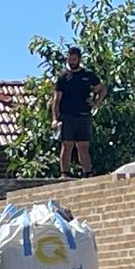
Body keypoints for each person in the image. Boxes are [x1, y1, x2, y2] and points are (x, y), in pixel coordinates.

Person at [53, 46, 105, 178]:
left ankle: (87, 172)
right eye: (69, 59)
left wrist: (96, 102)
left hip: (84, 115)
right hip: (67, 116)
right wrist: (55, 118)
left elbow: (102, 89)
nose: (71, 62)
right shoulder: (63, 77)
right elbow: (56, 99)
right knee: (67, 145)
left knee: (83, 146)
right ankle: (65, 173)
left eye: (74, 59)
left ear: (79, 59)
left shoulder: (88, 75)